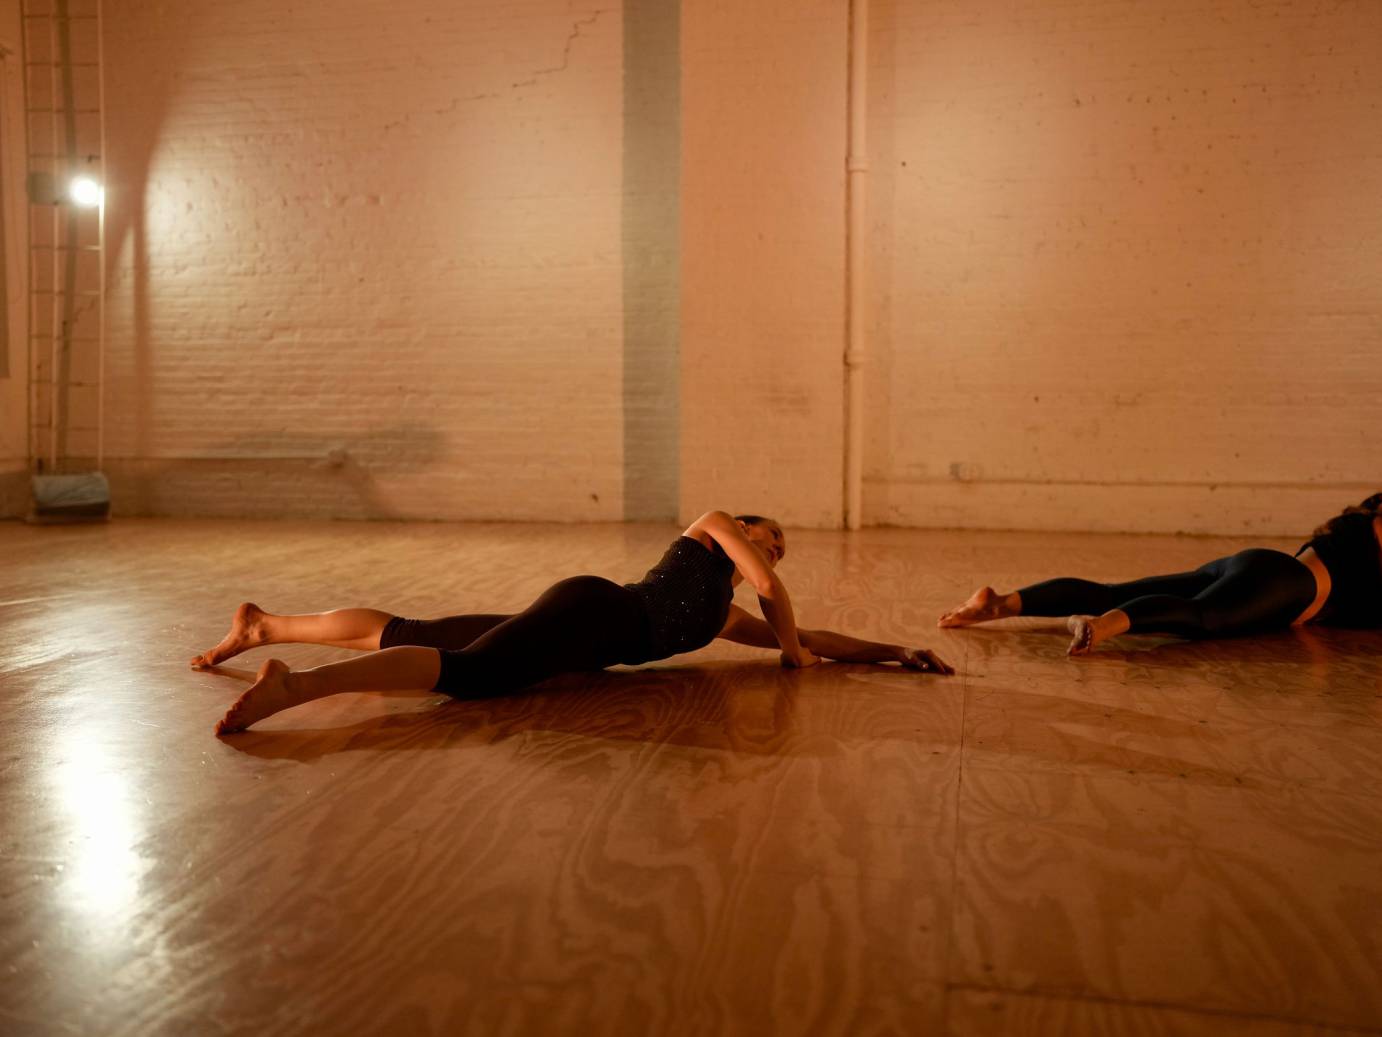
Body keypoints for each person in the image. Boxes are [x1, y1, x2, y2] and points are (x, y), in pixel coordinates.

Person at [196, 511, 955, 734]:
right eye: (771, 534)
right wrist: (790, 649)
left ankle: (266, 627)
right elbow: (775, 596)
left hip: (578, 632)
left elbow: (813, 635)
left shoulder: (719, 616)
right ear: (745, 526)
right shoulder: (712, 526)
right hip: (589, 607)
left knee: (420, 629)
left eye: (783, 547)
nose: (775, 549)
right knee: (469, 677)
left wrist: (897, 651)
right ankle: (295, 689)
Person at [937, 494, 1382, 654]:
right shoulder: (1374, 528)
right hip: (1288, 583)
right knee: (1204, 618)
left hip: (1264, 569)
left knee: (1115, 590)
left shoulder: (1361, 528)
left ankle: (999, 603)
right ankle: (1104, 626)